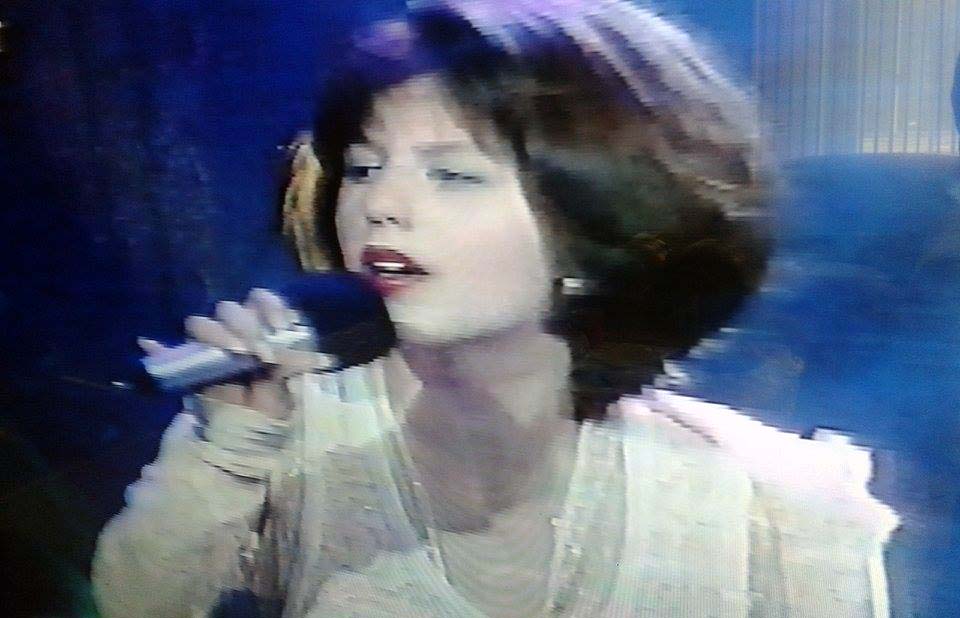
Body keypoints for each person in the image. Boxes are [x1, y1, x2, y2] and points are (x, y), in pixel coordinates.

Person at [92, 1, 900, 616]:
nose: (381, 206)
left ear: (597, 224)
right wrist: (230, 449)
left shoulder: (776, 507)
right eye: (365, 168)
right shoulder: (282, 437)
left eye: (453, 175)